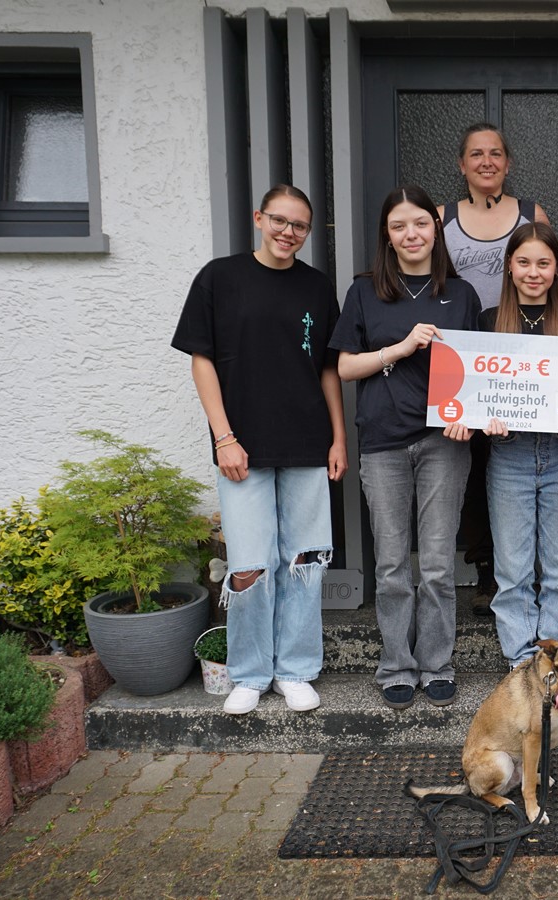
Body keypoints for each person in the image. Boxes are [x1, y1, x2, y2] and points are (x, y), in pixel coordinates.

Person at [172, 184, 347, 716]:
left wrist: (338, 437)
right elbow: (201, 360)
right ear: (258, 218)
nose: (287, 232)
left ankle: (295, 670)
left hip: (306, 440)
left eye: (299, 226)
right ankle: (249, 672)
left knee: (304, 561)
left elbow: (327, 368)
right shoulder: (219, 278)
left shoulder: (317, 288)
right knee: (249, 565)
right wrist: (223, 436)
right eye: (279, 220)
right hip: (240, 446)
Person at [328, 185, 481, 710]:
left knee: (437, 563)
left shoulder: (460, 295)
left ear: (435, 229)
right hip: (383, 444)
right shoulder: (365, 292)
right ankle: (396, 664)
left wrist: (472, 421)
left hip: (443, 443)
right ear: (386, 236)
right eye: (399, 226)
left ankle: (437, 663)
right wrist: (399, 347)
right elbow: (345, 367)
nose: (411, 234)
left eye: (420, 223)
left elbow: (478, 372)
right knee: (392, 564)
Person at [446, 223, 558, 668]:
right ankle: (523, 661)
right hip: (508, 456)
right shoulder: (489, 321)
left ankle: (557, 658)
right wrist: (474, 418)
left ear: (556, 268)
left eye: (543, 263)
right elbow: (473, 391)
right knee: (512, 572)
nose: (533, 272)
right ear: (509, 266)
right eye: (524, 262)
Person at [438, 122, 550, 616]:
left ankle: (535, 571)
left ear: (507, 162)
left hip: (521, 352)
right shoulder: (440, 217)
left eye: (496, 153)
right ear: (461, 165)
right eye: (476, 154)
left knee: (523, 457)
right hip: (465, 354)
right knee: (474, 464)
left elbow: (548, 265)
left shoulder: (530, 214)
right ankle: (487, 567)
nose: (487, 161)